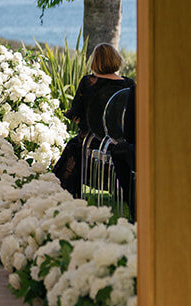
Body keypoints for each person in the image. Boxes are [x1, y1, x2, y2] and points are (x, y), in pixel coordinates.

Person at [53, 43, 133, 197]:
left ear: (95, 61)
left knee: (73, 148)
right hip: (121, 143)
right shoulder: (128, 84)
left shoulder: (88, 82)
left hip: (93, 142)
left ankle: (65, 193)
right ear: (116, 59)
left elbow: (76, 114)